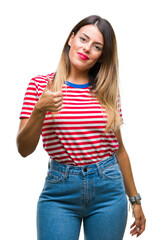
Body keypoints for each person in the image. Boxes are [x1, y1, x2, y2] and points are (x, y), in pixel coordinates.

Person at [17, 15, 146, 240]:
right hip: (59, 193)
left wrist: (135, 201)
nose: (86, 48)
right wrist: (40, 109)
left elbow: (119, 150)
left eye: (96, 47)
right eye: (84, 39)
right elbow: (23, 149)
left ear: (101, 57)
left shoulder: (107, 92)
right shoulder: (40, 86)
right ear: (71, 38)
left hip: (109, 191)